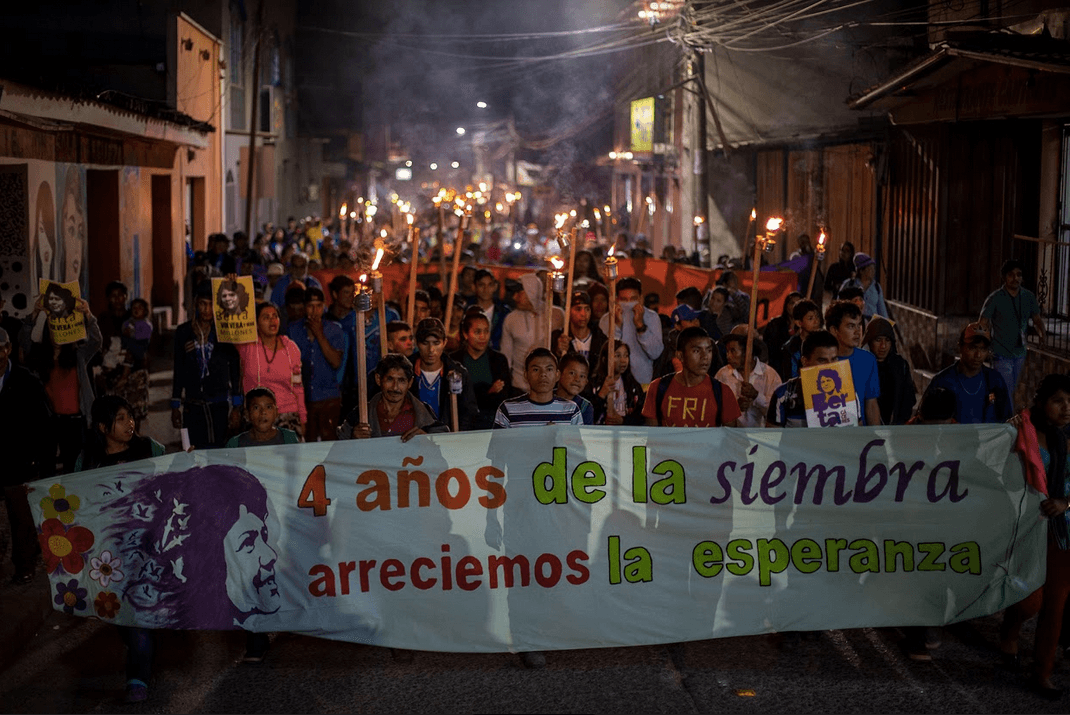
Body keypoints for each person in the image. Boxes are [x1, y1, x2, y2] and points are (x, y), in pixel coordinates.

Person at [999, 373, 1070, 698]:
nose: (1066, 409)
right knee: (1030, 600)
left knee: (1055, 606)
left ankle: (1043, 672)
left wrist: (1065, 502)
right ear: (1042, 403)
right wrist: (1008, 430)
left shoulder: (1066, 439)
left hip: (1060, 532)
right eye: (1059, 401)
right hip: (1025, 527)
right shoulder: (1020, 430)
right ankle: (1011, 630)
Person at [28, 294, 101, 474]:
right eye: (53, 327)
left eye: (61, 328)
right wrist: (34, 314)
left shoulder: (78, 356)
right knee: (46, 466)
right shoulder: (40, 358)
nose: (57, 332)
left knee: (73, 467)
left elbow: (96, 341)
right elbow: (23, 342)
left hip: (74, 421)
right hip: (49, 421)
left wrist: (89, 316)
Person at [0, 327, 51, 583]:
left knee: (22, 520)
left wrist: (37, 459)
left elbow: (44, 422)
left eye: (0, 348)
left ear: (7, 349)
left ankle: (25, 567)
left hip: (19, 461)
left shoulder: (26, 380)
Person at [171, 283, 243, 448]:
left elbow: (235, 370)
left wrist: (237, 407)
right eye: (203, 304)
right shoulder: (183, 332)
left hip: (219, 405)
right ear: (196, 304)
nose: (206, 309)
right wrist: (175, 405)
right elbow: (179, 369)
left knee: (219, 452)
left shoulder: (225, 332)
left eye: (211, 304)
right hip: (192, 404)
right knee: (192, 454)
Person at [642, 327, 741, 428]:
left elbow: (731, 438)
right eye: (697, 351)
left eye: (709, 350)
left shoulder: (722, 392)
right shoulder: (658, 388)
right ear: (680, 356)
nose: (705, 357)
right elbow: (652, 437)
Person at [978, 259, 1046, 402]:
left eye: (1019, 275)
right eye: (1011, 275)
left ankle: (1003, 417)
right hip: (1000, 352)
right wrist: (984, 346)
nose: (1015, 278)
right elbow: (982, 323)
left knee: (1012, 389)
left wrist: (1042, 335)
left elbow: (1037, 319)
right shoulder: (995, 298)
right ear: (1004, 277)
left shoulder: (1028, 297)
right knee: (1004, 390)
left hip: (1020, 352)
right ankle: (1003, 420)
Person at [339, 353, 449, 440]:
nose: (395, 388)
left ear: (410, 383)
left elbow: (444, 444)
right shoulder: (361, 414)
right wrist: (352, 439)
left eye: (401, 381)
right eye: (390, 379)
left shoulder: (425, 413)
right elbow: (337, 451)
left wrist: (427, 438)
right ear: (378, 379)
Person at [237, 302, 306, 437]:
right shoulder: (246, 347)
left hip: (287, 415)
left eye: (275, 316)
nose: (272, 320)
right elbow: (229, 326)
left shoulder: (291, 348)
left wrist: (302, 418)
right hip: (256, 416)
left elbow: (298, 387)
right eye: (266, 317)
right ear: (255, 323)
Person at [921, 322, 1011, 424]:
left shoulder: (994, 380)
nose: (978, 355)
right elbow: (924, 421)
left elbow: (1006, 417)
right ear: (960, 347)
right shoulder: (943, 381)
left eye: (983, 349)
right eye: (972, 348)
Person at [287, 287, 345, 442]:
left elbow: (335, 362)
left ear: (324, 306)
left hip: (328, 396)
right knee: (307, 442)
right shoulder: (293, 330)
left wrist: (319, 334)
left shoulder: (334, 330)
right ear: (304, 307)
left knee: (328, 442)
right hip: (301, 398)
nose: (314, 311)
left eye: (319, 306)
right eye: (310, 306)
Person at [450, 312, 512, 430]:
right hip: (462, 423)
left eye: (486, 331)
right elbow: (458, 400)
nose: (483, 336)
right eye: (478, 332)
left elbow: (502, 398)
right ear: (465, 333)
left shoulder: (499, 360)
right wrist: (489, 391)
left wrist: (474, 394)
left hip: (492, 422)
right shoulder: (454, 360)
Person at [501, 273, 563, 392]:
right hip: (519, 386)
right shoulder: (511, 319)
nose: (514, 297)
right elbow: (506, 357)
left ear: (531, 292)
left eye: (519, 293)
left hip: (548, 386)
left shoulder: (556, 315)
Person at [766, 330, 841, 428]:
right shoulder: (783, 395)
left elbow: (857, 435)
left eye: (834, 359)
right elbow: (771, 439)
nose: (829, 366)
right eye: (822, 360)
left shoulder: (849, 392)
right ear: (805, 361)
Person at [597, 276, 664, 385]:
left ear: (641, 298)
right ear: (617, 299)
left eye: (633, 299)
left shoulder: (651, 317)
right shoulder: (606, 319)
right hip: (613, 383)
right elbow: (606, 354)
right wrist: (617, 326)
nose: (628, 304)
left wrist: (640, 326)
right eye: (624, 300)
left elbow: (655, 352)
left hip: (642, 382)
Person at [411, 318, 475, 431]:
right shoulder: (405, 373)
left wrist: (458, 440)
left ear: (444, 342)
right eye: (425, 343)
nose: (431, 350)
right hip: (413, 440)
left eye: (436, 343)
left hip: (448, 441)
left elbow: (468, 414)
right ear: (416, 342)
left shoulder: (458, 374)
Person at [494, 348, 584, 428]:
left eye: (549, 369)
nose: (543, 374)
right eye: (536, 370)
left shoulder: (571, 410)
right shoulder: (508, 409)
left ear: (557, 375)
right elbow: (497, 446)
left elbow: (577, 446)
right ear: (526, 375)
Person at [825, 300, 881, 426]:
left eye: (859, 325)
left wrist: (875, 437)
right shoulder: (821, 360)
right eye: (850, 326)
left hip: (858, 436)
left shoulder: (868, 360)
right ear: (834, 330)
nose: (857, 332)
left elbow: (871, 404)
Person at [715, 334, 782, 428]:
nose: (728, 356)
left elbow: (778, 413)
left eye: (733, 351)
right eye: (727, 351)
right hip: (732, 436)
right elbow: (715, 408)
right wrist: (735, 407)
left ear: (748, 352)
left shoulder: (769, 375)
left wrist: (756, 396)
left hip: (761, 436)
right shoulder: (722, 374)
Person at [862, 316, 916, 425]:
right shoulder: (863, 365)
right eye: (878, 340)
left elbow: (909, 398)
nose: (883, 346)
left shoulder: (900, 365)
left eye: (887, 340)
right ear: (869, 341)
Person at [589, 342, 646, 425]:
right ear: (605, 359)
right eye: (617, 356)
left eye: (626, 356)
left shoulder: (633, 386)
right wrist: (602, 394)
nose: (623, 360)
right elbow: (586, 415)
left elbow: (641, 417)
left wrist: (624, 421)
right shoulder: (593, 384)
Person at [226, 387, 300, 447]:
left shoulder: (289, 438)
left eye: (268, 407)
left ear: (276, 412)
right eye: (256, 408)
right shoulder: (235, 444)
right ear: (247, 414)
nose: (263, 412)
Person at [551, 290, 606, 363]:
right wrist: (557, 352)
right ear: (568, 311)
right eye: (578, 309)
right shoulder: (559, 338)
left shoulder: (600, 338)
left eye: (587, 309)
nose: (583, 314)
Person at [467, 269, 511, 351]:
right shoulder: (467, 311)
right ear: (474, 287)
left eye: (490, 285)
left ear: (495, 286)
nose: (486, 289)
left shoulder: (504, 312)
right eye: (481, 285)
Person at [779, 299, 822, 381]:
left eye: (817, 316)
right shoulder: (790, 348)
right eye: (810, 318)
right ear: (799, 323)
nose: (816, 321)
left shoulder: (825, 342)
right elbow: (790, 378)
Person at [838, 252, 888, 321]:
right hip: (853, 322)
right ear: (861, 271)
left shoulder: (876, 287)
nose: (873, 271)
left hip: (871, 325)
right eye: (870, 269)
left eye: (874, 269)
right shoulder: (849, 285)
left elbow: (882, 309)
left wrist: (886, 325)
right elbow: (839, 305)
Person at [763, 291, 802, 378]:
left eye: (798, 303)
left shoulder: (804, 326)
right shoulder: (774, 324)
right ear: (786, 305)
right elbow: (770, 348)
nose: (794, 306)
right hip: (778, 369)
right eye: (792, 303)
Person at [555, 353, 594, 424]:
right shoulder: (545, 399)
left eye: (582, 376)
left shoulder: (585, 407)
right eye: (572, 373)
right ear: (558, 374)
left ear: (586, 382)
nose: (577, 379)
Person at [121, 298, 152, 371]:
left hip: (140, 347)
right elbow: (123, 328)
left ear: (145, 311)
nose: (136, 310)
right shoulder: (128, 321)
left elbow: (143, 335)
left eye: (140, 308)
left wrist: (132, 333)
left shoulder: (146, 324)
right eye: (134, 308)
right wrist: (125, 331)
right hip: (127, 346)